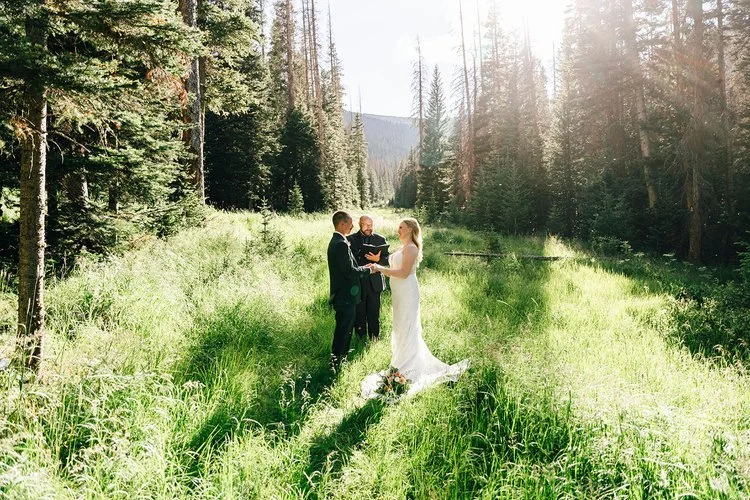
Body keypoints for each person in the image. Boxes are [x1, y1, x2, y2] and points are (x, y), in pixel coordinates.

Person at [363, 218, 469, 396]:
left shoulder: (412, 248)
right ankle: (400, 362)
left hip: (408, 292)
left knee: (407, 326)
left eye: (401, 227)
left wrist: (379, 268)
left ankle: (408, 367)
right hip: (399, 294)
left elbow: (403, 273)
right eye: (398, 227)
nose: (398, 230)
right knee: (400, 327)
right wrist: (378, 262)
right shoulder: (403, 247)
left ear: (411, 230)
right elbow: (395, 264)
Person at [327, 210, 377, 369]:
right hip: (345, 296)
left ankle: (339, 359)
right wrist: (369, 270)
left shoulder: (337, 240)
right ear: (341, 224)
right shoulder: (340, 243)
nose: (352, 226)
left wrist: (363, 266)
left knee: (344, 328)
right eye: (350, 223)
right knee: (344, 329)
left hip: (343, 295)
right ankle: (337, 361)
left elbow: (350, 267)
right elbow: (350, 272)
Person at [347, 215, 389, 341]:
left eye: (371, 225)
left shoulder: (380, 239)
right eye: (366, 225)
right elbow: (348, 262)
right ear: (360, 224)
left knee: (374, 313)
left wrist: (378, 260)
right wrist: (362, 266)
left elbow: (388, 259)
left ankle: (374, 338)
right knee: (359, 313)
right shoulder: (350, 239)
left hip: (374, 283)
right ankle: (360, 339)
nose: (369, 227)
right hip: (357, 283)